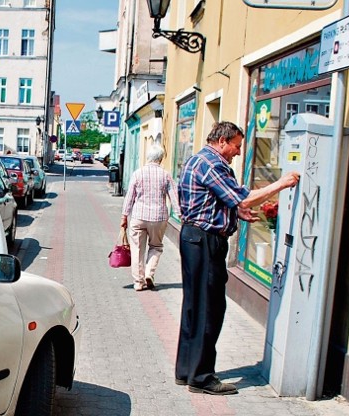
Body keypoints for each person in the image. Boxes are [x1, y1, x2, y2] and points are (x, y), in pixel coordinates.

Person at [175, 121, 300, 395]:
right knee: (210, 309)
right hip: (206, 242)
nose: (238, 152)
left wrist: (234, 213)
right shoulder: (214, 164)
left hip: (192, 237)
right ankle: (202, 377)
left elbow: (211, 200)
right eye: (236, 146)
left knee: (194, 306)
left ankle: (186, 370)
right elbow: (243, 198)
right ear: (222, 141)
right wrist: (282, 184)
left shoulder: (197, 160)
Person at [120, 143, 179, 291]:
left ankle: (138, 283)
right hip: (158, 218)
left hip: (139, 217)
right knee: (156, 247)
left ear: (148, 157)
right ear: (161, 158)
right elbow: (174, 198)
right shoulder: (165, 175)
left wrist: (124, 216)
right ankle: (149, 273)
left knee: (137, 249)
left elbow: (129, 197)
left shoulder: (137, 173)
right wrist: (181, 216)